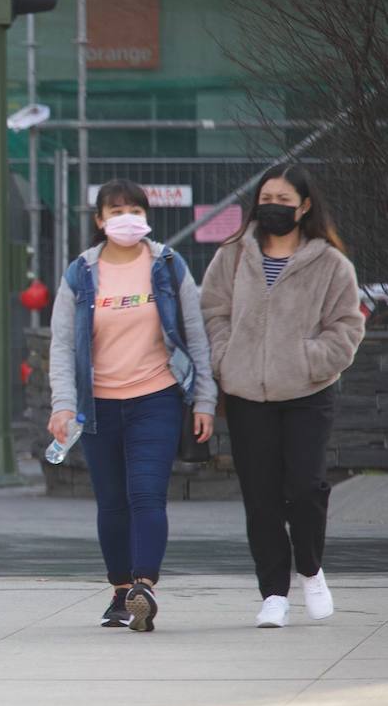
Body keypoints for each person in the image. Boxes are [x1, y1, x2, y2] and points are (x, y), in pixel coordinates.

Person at [200, 164, 364, 629]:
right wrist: (226, 355)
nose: (272, 207)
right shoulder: (234, 254)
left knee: (306, 488)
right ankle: (273, 593)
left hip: (307, 392)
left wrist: (310, 359)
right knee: (261, 497)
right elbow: (213, 308)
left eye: (283, 200)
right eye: (265, 198)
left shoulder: (330, 263)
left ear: (305, 206)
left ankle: (311, 569)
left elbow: (348, 326)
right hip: (248, 392)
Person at [49, 178, 216, 632]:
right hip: (98, 404)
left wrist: (205, 398)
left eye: (135, 210)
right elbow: (62, 346)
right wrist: (62, 405)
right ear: (99, 220)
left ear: (147, 217)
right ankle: (121, 591)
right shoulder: (80, 272)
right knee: (111, 502)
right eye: (115, 210)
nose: (126, 218)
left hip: (156, 397)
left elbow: (195, 335)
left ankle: (144, 586)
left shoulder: (168, 264)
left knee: (146, 493)